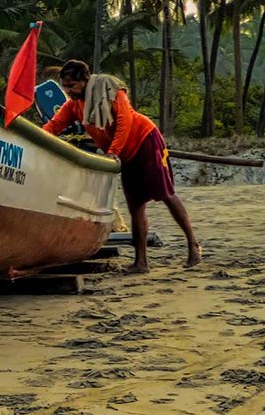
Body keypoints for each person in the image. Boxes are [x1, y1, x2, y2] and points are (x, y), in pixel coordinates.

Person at [42, 60, 200, 273]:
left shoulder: (112, 93)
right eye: (65, 87)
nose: (68, 91)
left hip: (145, 141)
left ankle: (193, 244)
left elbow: (125, 123)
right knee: (135, 205)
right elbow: (53, 126)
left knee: (165, 193)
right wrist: (36, 140)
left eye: (72, 86)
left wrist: (113, 152)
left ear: (84, 81)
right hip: (124, 155)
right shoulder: (74, 106)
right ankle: (141, 262)